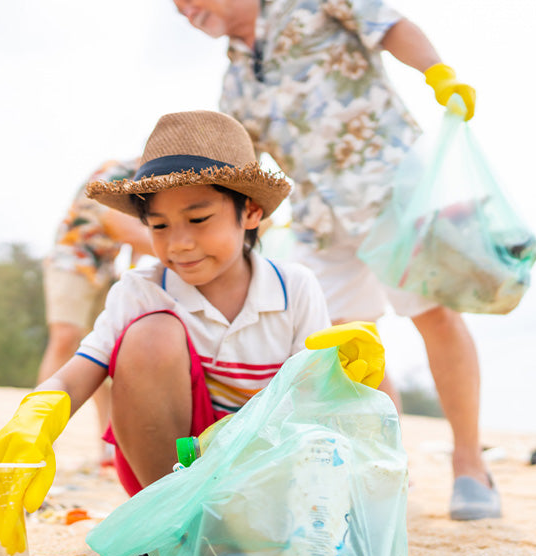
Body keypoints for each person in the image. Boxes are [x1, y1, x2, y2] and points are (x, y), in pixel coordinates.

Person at [0, 110, 386, 549]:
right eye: (159, 226)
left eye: (198, 218)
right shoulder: (142, 288)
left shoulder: (295, 287)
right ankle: (173, 530)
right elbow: (81, 370)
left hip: (263, 463)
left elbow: (309, 405)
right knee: (150, 335)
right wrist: (36, 419)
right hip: (174, 466)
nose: (179, 243)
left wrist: (338, 377)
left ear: (250, 211)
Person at [172, 0, 498, 520]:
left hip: (390, 186)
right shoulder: (235, 76)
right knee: (340, 340)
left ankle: (470, 464)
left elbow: (390, 26)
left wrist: (437, 73)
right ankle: (389, 462)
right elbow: (240, 161)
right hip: (319, 215)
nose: (183, 10)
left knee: (432, 314)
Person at [39, 158, 152, 467]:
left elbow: (138, 240)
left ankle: (107, 446)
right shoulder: (115, 173)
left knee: (103, 352)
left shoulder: (149, 186)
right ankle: (38, 438)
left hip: (104, 270)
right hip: (72, 259)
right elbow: (124, 227)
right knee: (66, 337)